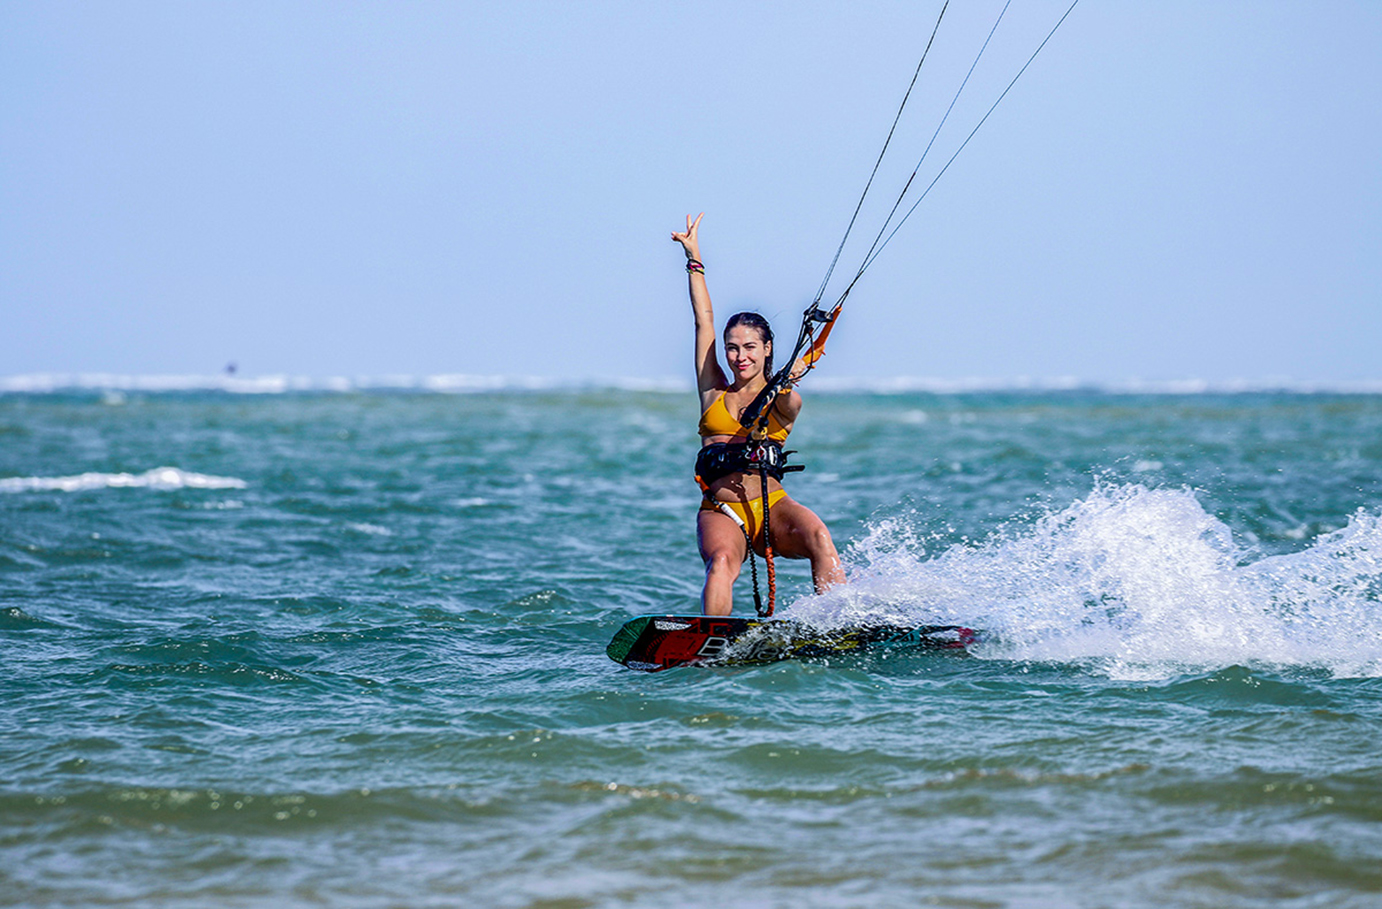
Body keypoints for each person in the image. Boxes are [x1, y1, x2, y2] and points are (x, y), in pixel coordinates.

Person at [671, 213, 846, 616]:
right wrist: (694, 259)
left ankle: (838, 623)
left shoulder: (785, 400)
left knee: (819, 535)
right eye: (733, 347)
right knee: (721, 564)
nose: (739, 356)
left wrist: (783, 384)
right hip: (723, 511)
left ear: (767, 349)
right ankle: (713, 638)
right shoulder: (713, 389)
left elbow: (790, 404)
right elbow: (704, 321)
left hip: (772, 507)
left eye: (750, 347)